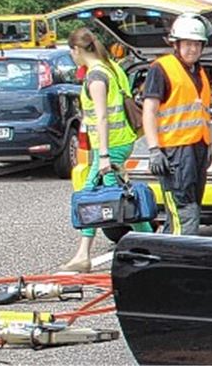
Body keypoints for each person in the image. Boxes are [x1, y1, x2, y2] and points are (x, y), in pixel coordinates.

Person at [60, 28, 151, 272]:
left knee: (95, 195)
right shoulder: (112, 67)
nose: (73, 57)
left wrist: (103, 155)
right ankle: (84, 254)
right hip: (120, 141)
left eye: (72, 52)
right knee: (117, 197)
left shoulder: (96, 76)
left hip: (111, 145)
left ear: (77, 50)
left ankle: (152, 247)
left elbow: (101, 117)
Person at [141, 13, 212, 236]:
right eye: (188, 44)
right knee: (185, 210)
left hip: (197, 148)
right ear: (176, 44)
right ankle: (183, 260)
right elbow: (149, 111)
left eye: (197, 44)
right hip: (174, 152)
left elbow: (201, 112)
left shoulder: (199, 71)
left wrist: (209, 146)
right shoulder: (161, 68)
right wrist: (154, 149)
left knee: (188, 209)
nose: (192, 49)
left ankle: (165, 260)